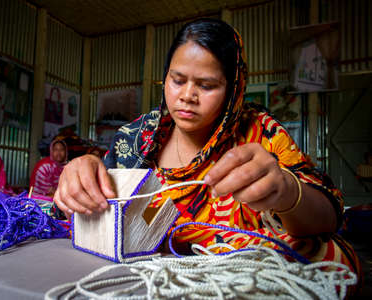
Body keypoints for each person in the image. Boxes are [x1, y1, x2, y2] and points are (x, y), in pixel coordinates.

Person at [54, 19, 360, 279]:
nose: (187, 96)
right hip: (142, 275)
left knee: (328, 258)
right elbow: (89, 211)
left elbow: (329, 219)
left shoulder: (259, 132)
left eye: (207, 85)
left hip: (237, 270)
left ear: (233, 88)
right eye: (177, 80)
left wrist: (287, 193)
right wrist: (80, 173)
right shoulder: (137, 138)